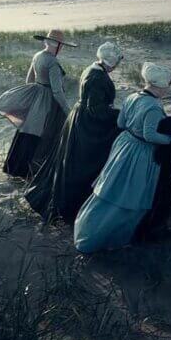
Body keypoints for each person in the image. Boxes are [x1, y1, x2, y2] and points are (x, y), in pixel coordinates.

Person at [74, 63, 171, 254]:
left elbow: (121, 122)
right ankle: (116, 235)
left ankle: (88, 228)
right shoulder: (154, 106)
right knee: (131, 194)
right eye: (167, 86)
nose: (167, 89)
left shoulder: (132, 97)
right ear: (160, 85)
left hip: (123, 146)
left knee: (111, 188)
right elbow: (150, 136)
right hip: (140, 153)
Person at [25, 42, 124, 223]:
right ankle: (72, 206)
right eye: (117, 62)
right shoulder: (97, 77)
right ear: (111, 62)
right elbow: (96, 109)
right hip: (87, 125)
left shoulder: (94, 69)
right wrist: (121, 114)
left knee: (74, 162)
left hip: (82, 119)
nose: (117, 65)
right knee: (81, 164)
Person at [0, 29, 75, 179]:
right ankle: (27, 172)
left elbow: (29, 80)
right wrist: (68, 110)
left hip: (36, 95)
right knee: (40, 132)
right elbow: (57, 91)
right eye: (61, 45)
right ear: (56, 45)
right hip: (46, 100)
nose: (62, 48)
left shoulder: (38, 56)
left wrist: (33, 97)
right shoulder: (53, 62)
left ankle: (12, 167)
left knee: (27, 129)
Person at [132, 116, 171, 243]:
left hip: (156, 174)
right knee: (166, 200)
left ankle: (148, 230)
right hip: (165, 174)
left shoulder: (155, 150)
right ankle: (155, 232)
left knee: (157, 201)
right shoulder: (169, 148)